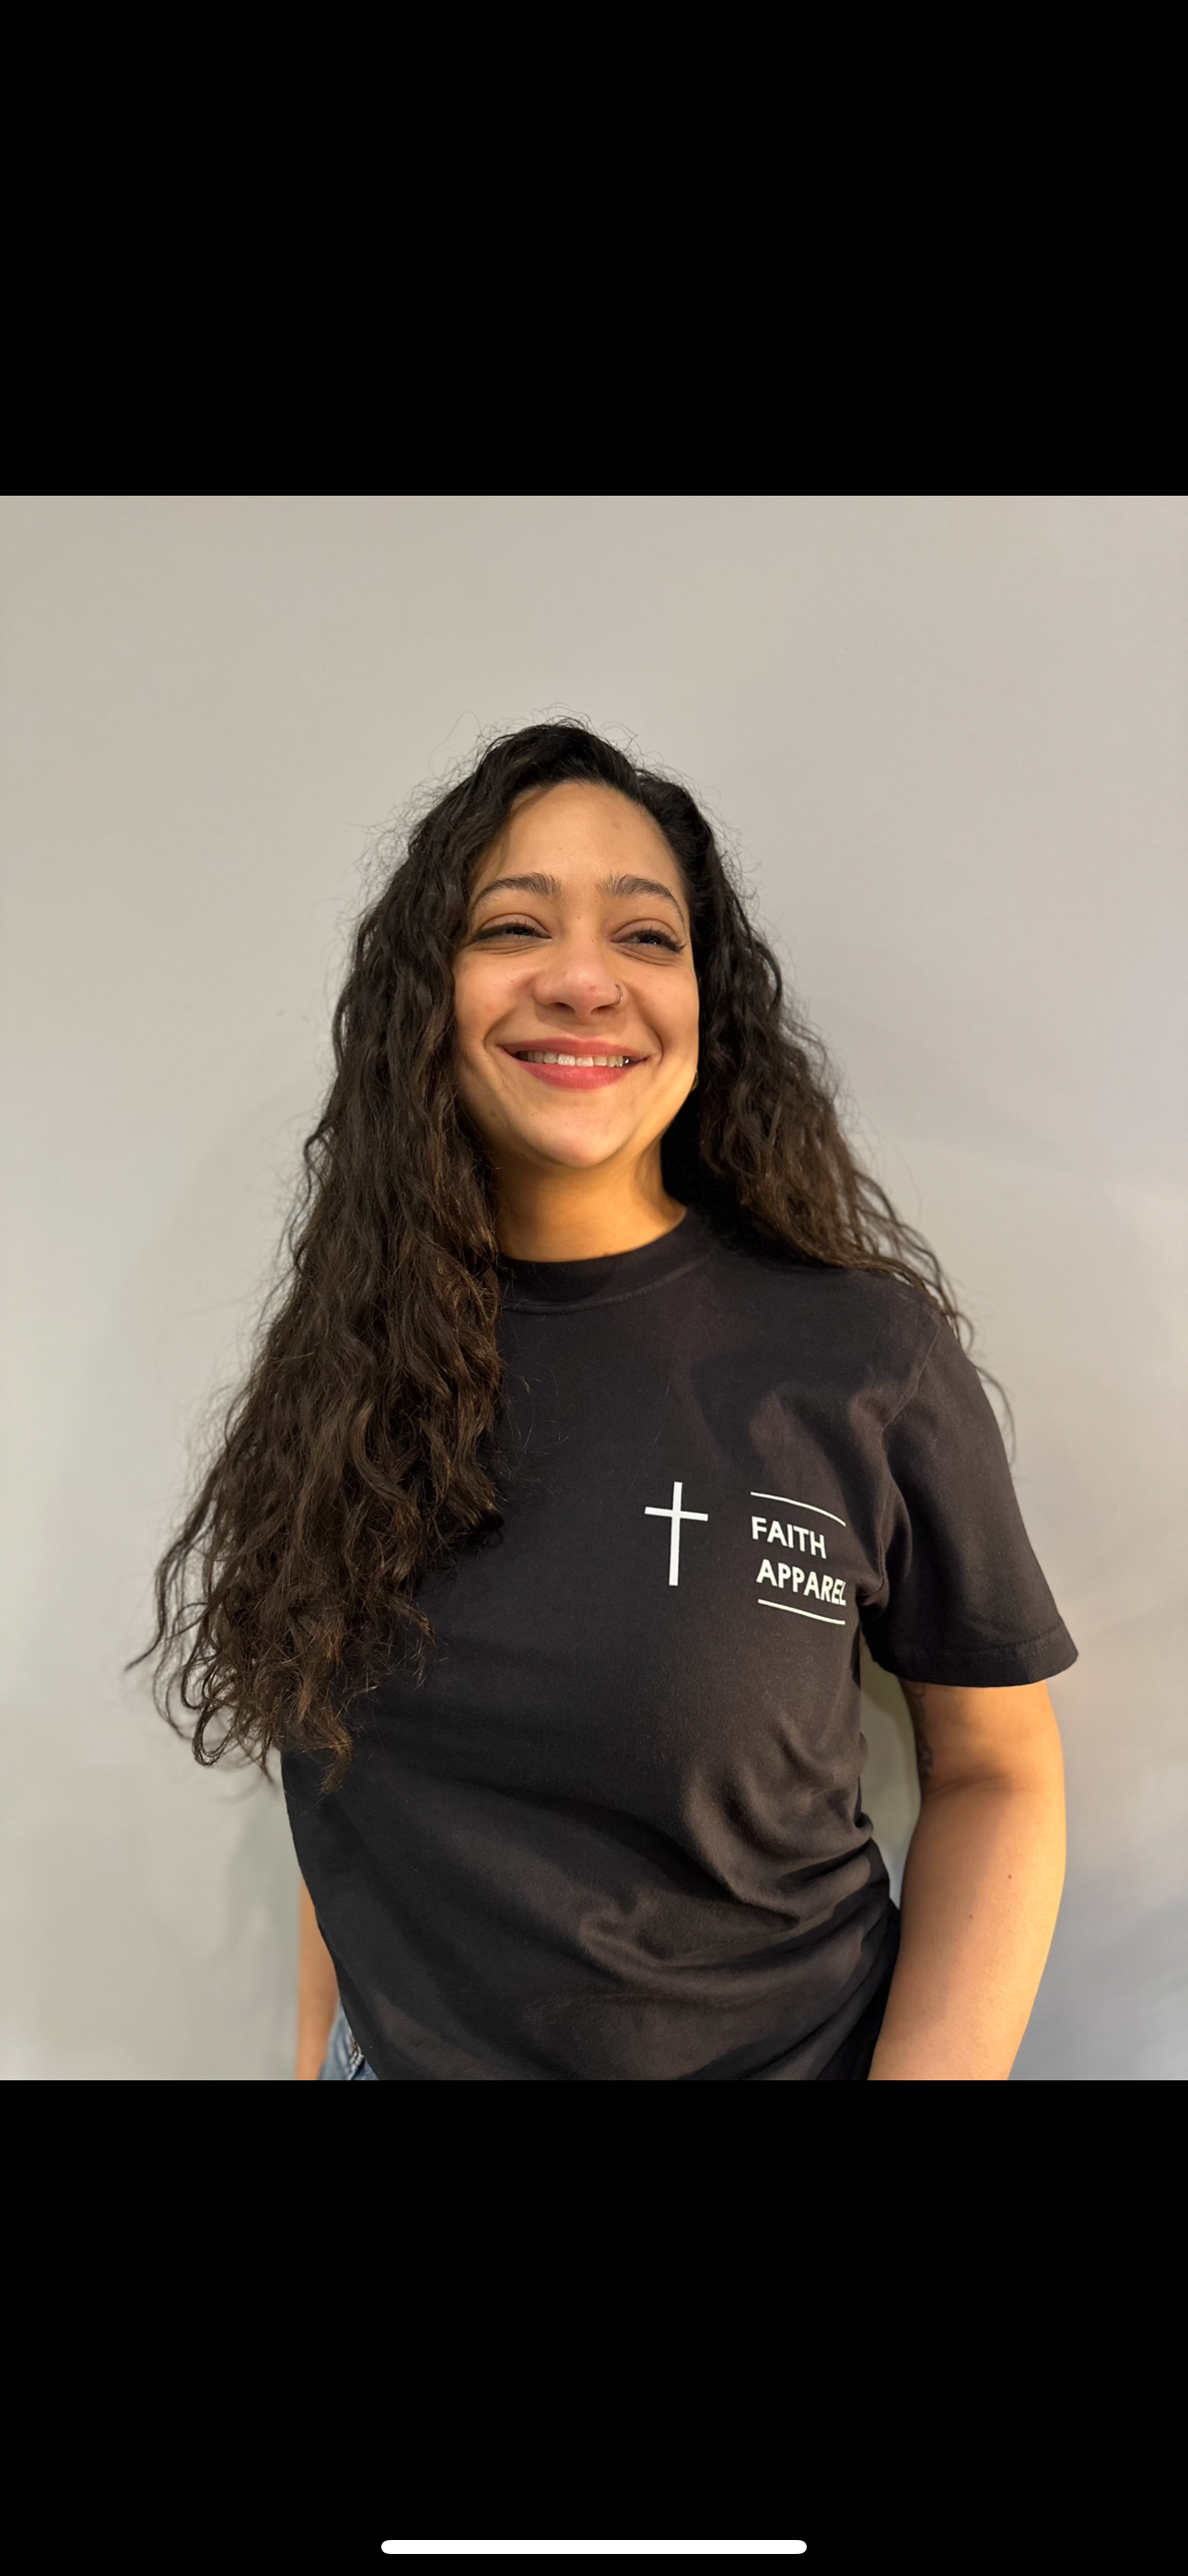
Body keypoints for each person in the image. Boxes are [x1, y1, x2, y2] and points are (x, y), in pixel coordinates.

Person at [140, 722, 1074, 2080]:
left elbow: (998, 1769)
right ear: (428, 996)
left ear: (705, 999)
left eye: (644, 937)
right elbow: (342, 1791)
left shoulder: (862, 1356)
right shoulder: (345, 1360)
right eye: (513, 927)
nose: (584, 980)